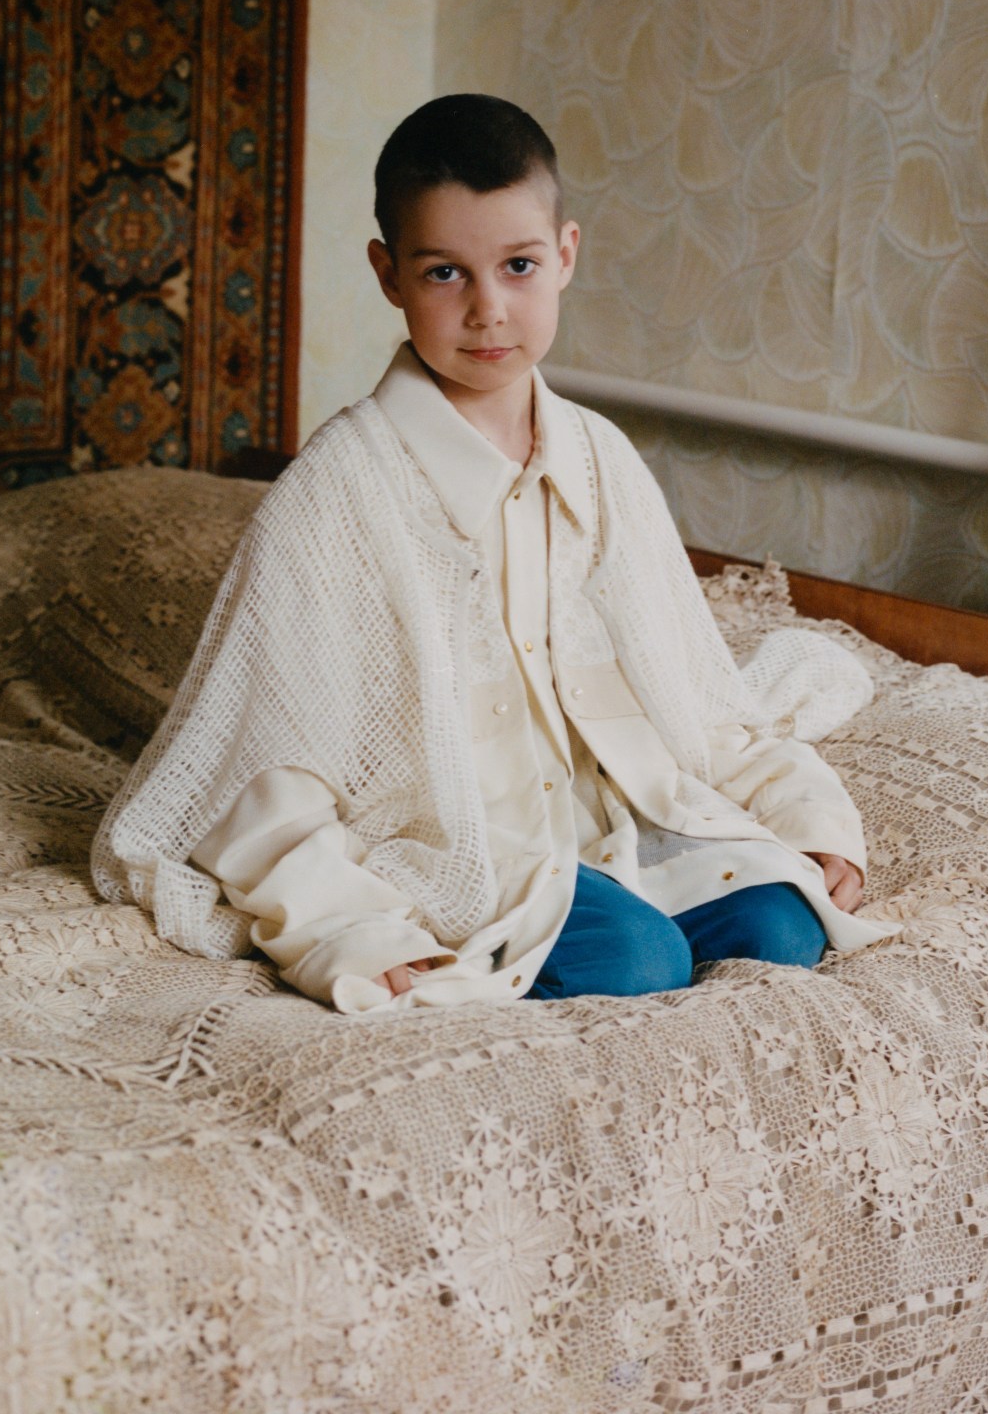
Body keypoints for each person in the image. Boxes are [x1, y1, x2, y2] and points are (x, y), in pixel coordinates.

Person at [92, 95, 896, 1012]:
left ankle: (657, 903)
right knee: (636, 966)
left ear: (565, 255)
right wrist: (344, 930)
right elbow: (262, 762)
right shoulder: (337, 490)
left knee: (784, 928)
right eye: (445, 274)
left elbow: (693, 693)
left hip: (605, 819)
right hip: (458, 837)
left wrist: (809, 824)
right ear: (389, 275)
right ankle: (576, 938)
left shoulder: (598, 456)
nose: (488, 312)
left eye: (518, 266)